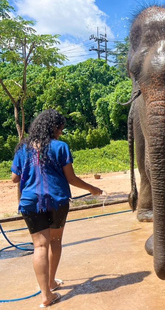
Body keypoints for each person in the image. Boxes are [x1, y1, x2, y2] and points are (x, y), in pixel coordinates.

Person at [11, 109, 103, 308]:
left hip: (30, 203)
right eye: (60, 128)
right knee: (55, 240)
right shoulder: (60, 147)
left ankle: (46, 293)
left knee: (39, 246)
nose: (61, 132)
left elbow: (14, 178)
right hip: (57, 201)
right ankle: (51, 283)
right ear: (53, 127)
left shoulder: (22, 149)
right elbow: (71, 178)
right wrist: (93, 188)